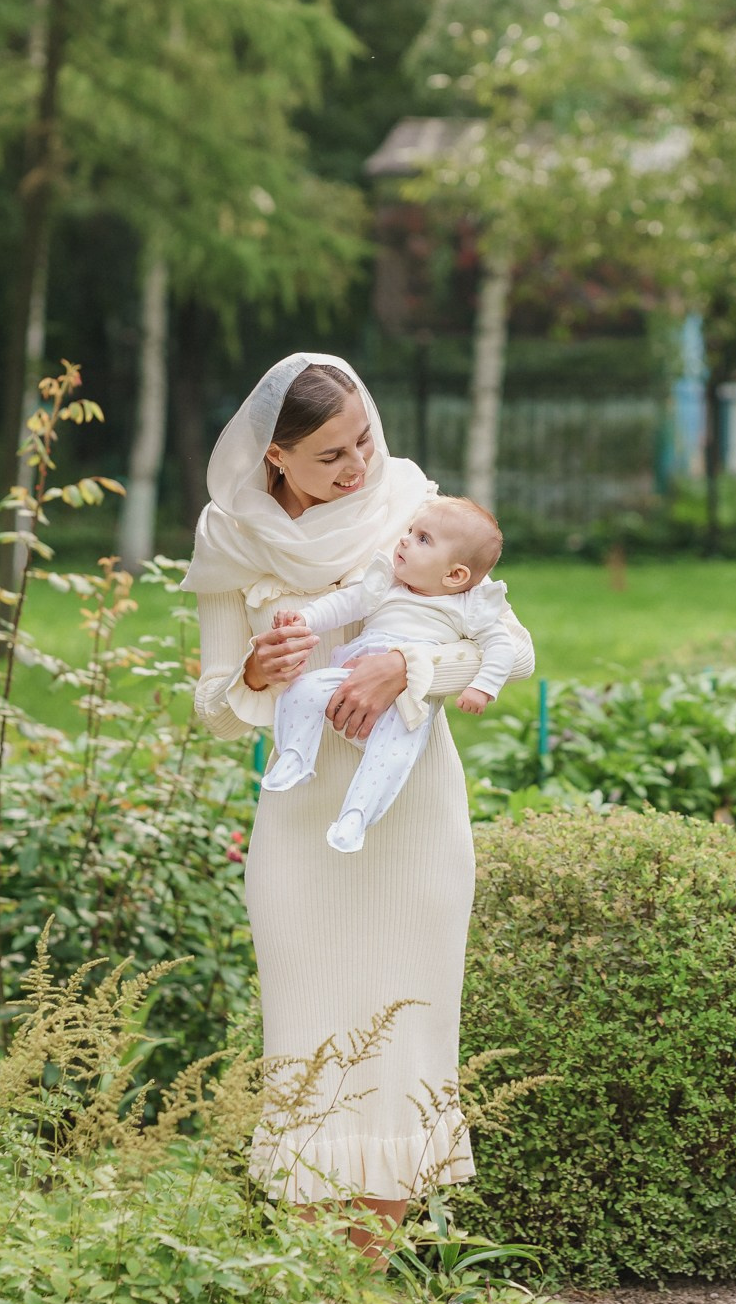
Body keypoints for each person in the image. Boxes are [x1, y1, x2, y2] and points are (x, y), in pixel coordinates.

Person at [181, 352, 532, 1245]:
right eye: (331, 454)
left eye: (363, 439)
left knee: (403, 1047)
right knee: (307, 1051)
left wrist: (403, 664)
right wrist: (255, 674)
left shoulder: (409, 509)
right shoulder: (230, 539)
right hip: (301, 824)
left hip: (411, 818)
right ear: (277, 460)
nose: (357, 467)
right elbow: (216, 707)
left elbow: (501, 641)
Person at [262, 496, 520, 853]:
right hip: (351, 678)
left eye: (422, 539)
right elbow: (342, 605)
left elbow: (505, 648)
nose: (404, 539)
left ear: (454, 575)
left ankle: (357, 815)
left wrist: (483, 687)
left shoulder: (468, 608)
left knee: (393, 753)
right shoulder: (386, 586)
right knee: (304, 689)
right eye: (411, 531)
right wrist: (304, 619)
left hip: (408, 701)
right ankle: (295, 756)